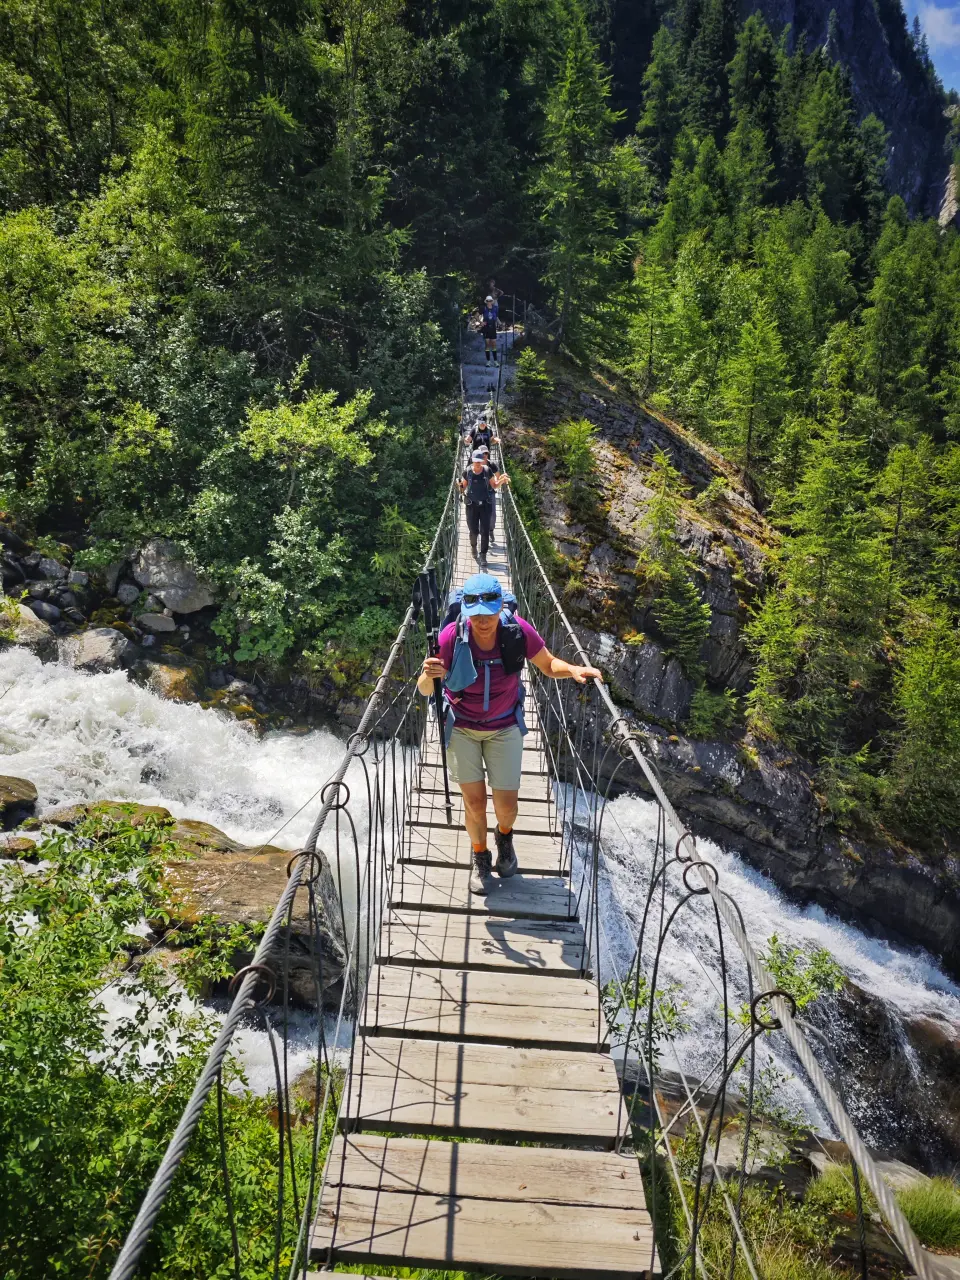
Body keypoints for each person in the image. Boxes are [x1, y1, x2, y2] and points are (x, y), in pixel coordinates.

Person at [418, 573, 603, 895]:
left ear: (500, 607)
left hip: (504, 726)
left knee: (507, 807)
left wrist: (573, 669)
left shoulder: (517, 630)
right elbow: (425, 691)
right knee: (474, 803)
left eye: (489, 614)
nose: (483, 621)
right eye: (475, 615)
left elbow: (547, 664)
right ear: (465, 611)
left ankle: (504, 837)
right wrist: (427, 674)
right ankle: (480, 858)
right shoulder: (450, 636)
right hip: (462, 726)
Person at [459, 449, 508, 569]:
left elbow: (494, 486)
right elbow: (463, 488)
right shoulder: (468, 472)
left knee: (485, 531)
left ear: (482, 461)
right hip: (471, 506)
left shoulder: (487, 470)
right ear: (472, 460)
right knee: (473, 531)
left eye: (479, 461)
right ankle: (474, 547)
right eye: (475, 461)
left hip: (485, 506)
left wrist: (502, 480)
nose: (477, 463)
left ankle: (483, 555)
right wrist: (459, 486)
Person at [481, 295, 498, 365]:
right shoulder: (484, 308)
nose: (489, 302)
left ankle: (495, 361)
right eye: (488, 301)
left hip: (493, 327)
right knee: (487, 344)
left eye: (490, 301)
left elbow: (496, 317)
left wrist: (500, 324)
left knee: (494, 344)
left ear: (492, 301)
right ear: (486, 301)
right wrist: (480, 322)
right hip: (486, 328)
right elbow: (476, 315)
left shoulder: (495, 308)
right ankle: (488, 361)